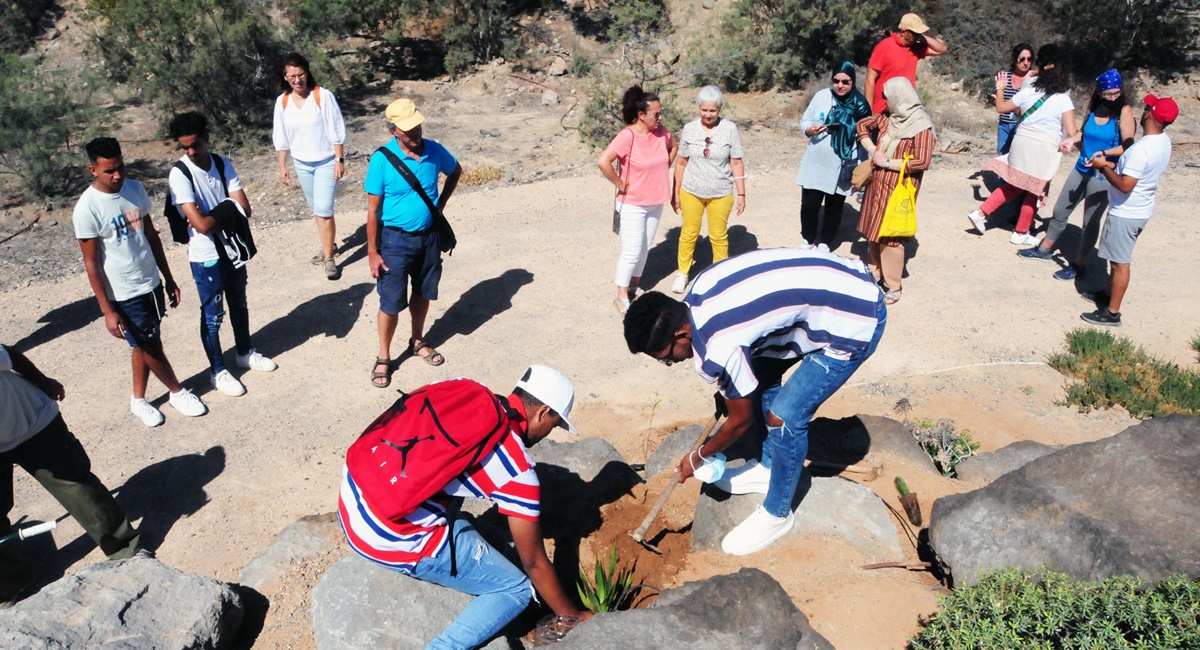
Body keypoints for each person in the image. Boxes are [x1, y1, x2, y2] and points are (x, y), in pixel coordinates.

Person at [622, 249, 886, 555]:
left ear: (682, 334)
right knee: (759, 377)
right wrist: (729, 391)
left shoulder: (720, 346)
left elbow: (740, 421)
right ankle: (770, 466)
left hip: (854, 315)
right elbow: (742, 374)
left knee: (784, 417)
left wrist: (699, 457)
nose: (672, 363)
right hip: (834, 288)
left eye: (667, 358)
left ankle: (777, 513)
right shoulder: (699, 292)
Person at [338, 365, 593, 648]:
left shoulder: (462, 389)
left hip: (353, 494)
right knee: (517, 588)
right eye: (555, 423)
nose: (550, 432)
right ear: (543, 412)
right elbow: (533, 563)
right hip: (386, 537)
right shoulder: (517, 471)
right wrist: (574, 617)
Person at [73, 137, 208, 427]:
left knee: (143, 342)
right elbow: (91, 263)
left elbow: (151, 236)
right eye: (109, 170)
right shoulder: (87, 208)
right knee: (150, 345)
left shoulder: (135, 190)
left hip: (149, 282)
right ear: (93, 170)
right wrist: (107, 310)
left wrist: (168, 278)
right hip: (123, 293)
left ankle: (138, 399)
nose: (117, 175)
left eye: (120, 167)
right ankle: (177, 391)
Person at [0, 344, 143, 606]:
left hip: (34, 423)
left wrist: (43, 382)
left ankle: (126, 549)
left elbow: (10, 355)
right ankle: (11, 583)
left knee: (77, 488)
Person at [167, 112, 277, 398]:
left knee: (239, 301)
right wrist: (226, 210)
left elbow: (245, 208)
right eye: (185, 148)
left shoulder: (221, 163)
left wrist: (212, 214)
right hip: (205, 257)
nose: (191, 152)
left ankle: (244, 352)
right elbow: (202, 227)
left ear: (206, 137)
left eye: (195, 145)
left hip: (231, 249)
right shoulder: (180, 175)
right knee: (213, 314)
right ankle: (218, 370)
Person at [364, 98, 462, 387]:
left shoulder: (434, 150)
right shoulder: (382, 159)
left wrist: (440, 205)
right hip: (394, 241)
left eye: (416, 125)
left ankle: (417, 341)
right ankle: (384, 356)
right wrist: (372, 251)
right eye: (407, 129)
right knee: (391, 302)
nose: (415, 132)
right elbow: (372, 210)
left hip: (430, 237)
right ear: (394, 130)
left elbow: (455, 170)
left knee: (423, 292)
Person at [1017, 69, 1135, 279]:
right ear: (1099, 92)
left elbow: (1128, 145)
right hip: (1081, 168)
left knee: (1090, 222)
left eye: (1116, 93)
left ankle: (1079, 264)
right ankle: (1044, 249)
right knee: (1061, 210)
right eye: (1108, 93)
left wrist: (1104, 153)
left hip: (1103, 173)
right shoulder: (1094, 107)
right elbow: (1083, 132)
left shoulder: (1123, 111)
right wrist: (1072, 140)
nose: (1113, 97)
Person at [967, 44, 1079, 246]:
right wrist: (1080, 139)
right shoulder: (1063, 98)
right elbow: (1071, 132)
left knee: (1013, 185)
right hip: (1044, 147)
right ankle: (1020, 232)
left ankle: (980, 212)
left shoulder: (1030, 89)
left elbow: (1001, 107)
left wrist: (1000, 89)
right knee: (1034, 190)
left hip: (1021, 141)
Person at [1080, 95, 1176, 327]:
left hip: (1126, 212)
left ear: (1151, 115)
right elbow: (1135, 174)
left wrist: (1103, 168)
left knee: (1120, 264)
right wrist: (1113, 165)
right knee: (1117, 259)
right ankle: (1106, 295)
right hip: (1141, 209)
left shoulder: (1141, 150)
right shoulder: (1163, 142)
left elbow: (1125, 185)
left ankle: (1112, 313)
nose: (1142, 112)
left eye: (1146, 108)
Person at [855, 77, 935, 304]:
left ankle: (893, 285)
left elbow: (922, 161)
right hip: (877, 183)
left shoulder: (921, 126)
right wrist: (872, 149)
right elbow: (861, 125)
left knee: (891, 235)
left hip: (899, 187)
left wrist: (888, 162)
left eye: (888, 98)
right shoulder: (887, 119)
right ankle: (874, 273)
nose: (885, 102)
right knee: (873, 228)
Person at [597, 86, 676, 314]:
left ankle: (634, 286)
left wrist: (663, 168)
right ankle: (620, 295)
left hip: (655, 200)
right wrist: (620, 183)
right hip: (632, 203)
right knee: (631, 250)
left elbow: (674, 147)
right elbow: (603, 161)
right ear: (642, 115)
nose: (660, 118)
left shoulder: (662, 133)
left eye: (661, 113)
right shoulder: (627, 136)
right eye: (656, 114)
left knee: (645, 247)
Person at [273, 52, 347, 280]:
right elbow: (281, 135)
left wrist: (339, 159)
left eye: (300, 74)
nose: (297, 80)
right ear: (285, 77)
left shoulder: (322, 96)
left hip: (325, 161)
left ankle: (329, 259)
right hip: (301, 163)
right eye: (292, 76)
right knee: (317, 210)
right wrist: (282, 165)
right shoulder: (282, 102)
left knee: (324, 210)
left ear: (307, 72)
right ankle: (328, 245)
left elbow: (336, 128)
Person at [670, 86, 745, 294]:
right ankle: (683, 273)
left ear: (719, 109)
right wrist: (675, 191)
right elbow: (681, 162)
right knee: (689, 233)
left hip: (720, 192)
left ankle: (718, 274)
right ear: (699, 108)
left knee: (718, 235)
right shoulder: (689, 129)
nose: (708, 115)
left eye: (712, 110)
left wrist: (742, 193)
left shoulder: (729, 129)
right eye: (704, 110)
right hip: (691, 190)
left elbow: (736, 162)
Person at [795, 62, 872, 250]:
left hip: (843, 163)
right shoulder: (822, 96)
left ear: (853, 81)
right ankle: (808, 238)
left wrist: (862, 168)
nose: (840, 85)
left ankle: (825, 242)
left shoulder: (861, 106)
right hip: (816, 160)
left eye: (845, 81)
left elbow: (865, 138)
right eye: (836, 81)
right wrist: (809, 129)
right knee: (809, 204)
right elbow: (805, 119)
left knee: (834, 206)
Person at [864, 13, 948, 115]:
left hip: (906, 110)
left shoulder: (916, 49)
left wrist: (921, 37)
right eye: (915, 33)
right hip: (883, 110)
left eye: (920, 33)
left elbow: (941, 49)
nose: (918, 36)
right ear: (904, 32)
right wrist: (868, 111)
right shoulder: (885, 46)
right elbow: (870, 79)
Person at [991, 43, 1036, 154]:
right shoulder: (1004, 76)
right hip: (1004, 124)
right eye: (1022, 59)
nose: (1026, 63)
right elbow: (997, 97)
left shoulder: (1034, 79)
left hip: (1023, 126)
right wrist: (993, 100)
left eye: (1029, 59)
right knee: (1002, 157)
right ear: (1015, 59)